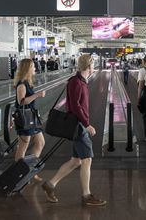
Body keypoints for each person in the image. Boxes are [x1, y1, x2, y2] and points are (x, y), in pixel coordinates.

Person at [42, 54, 107, 207]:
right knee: (87, 159)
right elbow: (76, 106)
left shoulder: (80, 81)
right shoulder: (77, 82)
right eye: (93, 65)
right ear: (89, 66)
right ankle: (86, 195)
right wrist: (87, 124)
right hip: (78, 125)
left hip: (79, 124)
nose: (94, 68)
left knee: (76, 160)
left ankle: (50, 185)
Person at [13, 59, 46, 181]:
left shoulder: (27, 82)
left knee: (40, 143)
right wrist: (37, 95)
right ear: (27, 69)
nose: (35, 69)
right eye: (32, 67)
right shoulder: (21, 84)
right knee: (22, 147)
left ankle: (30, 169)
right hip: (24, 119)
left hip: (32, 118)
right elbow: (21, 102)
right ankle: (17, 173)